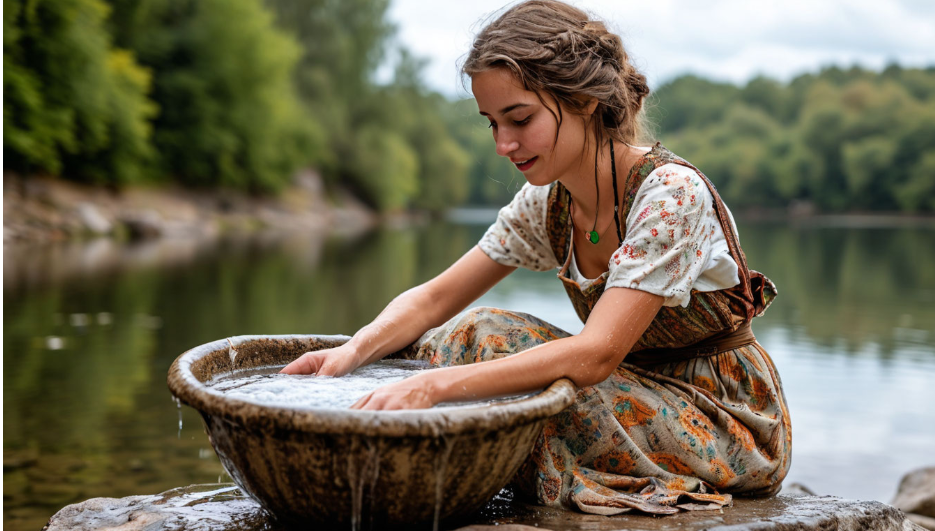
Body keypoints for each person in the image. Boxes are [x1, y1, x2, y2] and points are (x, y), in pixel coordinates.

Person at [282, 0, 791, 515]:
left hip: (722, 422)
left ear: (584, 100)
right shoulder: (547, 203)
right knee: (471, 334)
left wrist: (432, 388)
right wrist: (353, 351)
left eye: (520, 119)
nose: (503, 145)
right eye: (491, 123)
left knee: (501, 376)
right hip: (627, 393)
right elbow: (436, 299)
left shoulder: (671, 194)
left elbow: (597, 354)